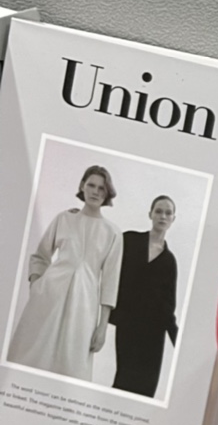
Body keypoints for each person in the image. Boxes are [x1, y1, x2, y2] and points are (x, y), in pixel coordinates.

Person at [7, 165, 123, 381]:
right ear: (82, 186)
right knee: (29, 359)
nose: (95, 191)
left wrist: (102, 327)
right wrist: (36, 286)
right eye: (91, 185)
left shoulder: (113, 232)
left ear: (107, 193)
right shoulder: (64, 218)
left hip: (84, 305)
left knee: (72, 369)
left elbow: (110, 281)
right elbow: (40, 256)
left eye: (101, 188)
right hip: (48, 297)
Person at [110, 195, 179, 397]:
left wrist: (177, 340)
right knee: (123, 380)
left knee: (146, 388)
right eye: (158, 211)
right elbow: (105, 256)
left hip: (154, 333)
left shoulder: (169, 260)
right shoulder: (129, 240)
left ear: (173, 219)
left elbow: (168, 306)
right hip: (128, 326)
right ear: (150, 214)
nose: (163, 216)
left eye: (168, 213)